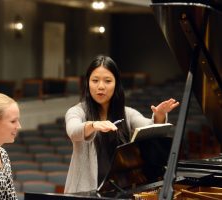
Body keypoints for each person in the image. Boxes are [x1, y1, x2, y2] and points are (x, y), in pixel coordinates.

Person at [64, 55, 179, 193]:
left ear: (116, 84)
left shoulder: (127, 113)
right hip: (85, 192)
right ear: (87, 83)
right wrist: (93, 125)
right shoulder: (77, 111)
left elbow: (149, 127)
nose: (100, 86)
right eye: (95, 80)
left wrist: (159, 116)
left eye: (107, 81)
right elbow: (73, 130)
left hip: (119, 191)